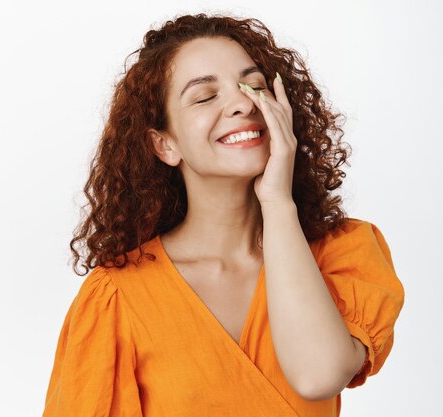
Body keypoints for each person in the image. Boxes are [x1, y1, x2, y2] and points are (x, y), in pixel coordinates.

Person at [42, 13, 405, 417]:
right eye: (204, 96)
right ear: (164, 145)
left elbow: (318, 376)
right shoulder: (116, 297)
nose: (242, 102)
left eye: (254, 85)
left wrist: (277, 202)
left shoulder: (343, 253)